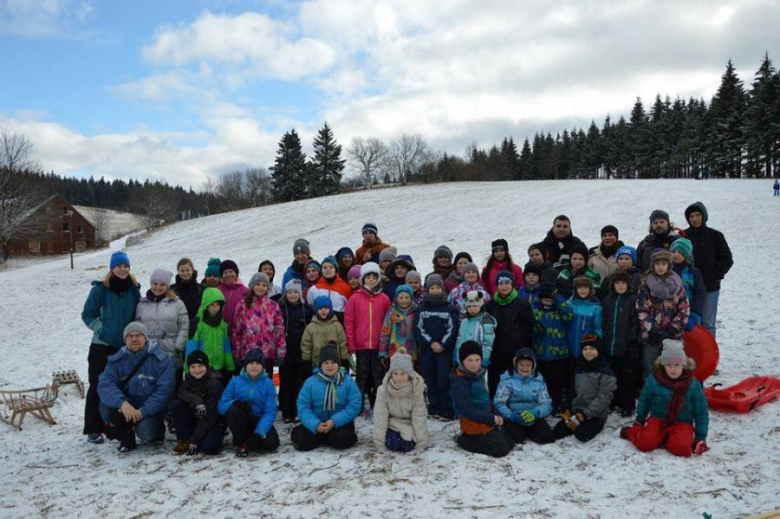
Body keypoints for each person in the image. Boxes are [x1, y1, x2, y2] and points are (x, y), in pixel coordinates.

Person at [81, 250, 141, 444]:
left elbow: (136, 314)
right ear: (112, 268)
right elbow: (87, 314)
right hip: (102, 346)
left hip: (125, 347)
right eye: (119, 266)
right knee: (98, 384)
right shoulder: (100, 289)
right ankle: (93, 428)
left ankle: (114, 424)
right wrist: (101, 329)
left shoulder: (133, 289)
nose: (122, 269)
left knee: (121, 386)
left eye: (125, 266)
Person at [620, 340, 709, 458]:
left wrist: (700, 437)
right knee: (645, 443)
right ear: (662, 365)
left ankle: (667, 438)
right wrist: (639, 420)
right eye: (668, 365)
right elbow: (644, 401)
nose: (673, 369)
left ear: (684, 364)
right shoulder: (654, 380)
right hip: (658, 419)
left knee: (681, 448)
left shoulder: (692, 384)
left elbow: (701, 412)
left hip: (682, 422)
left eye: (677, 365)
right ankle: (629, 432)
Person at [98, 323, 175, 454]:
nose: (134, 339)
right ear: (125, 339)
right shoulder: (117, 360)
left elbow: (164, 392)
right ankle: (126, 435)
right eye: (130, 336)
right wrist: (122, 403)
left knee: (146, 433)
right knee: (105, 407)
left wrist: (142, 412)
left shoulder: (161, 359)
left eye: (138, 335)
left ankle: (156, 431)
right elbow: (105, 385)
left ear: (145, 338)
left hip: (150, 409)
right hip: (127, 406)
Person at [292, 344, 362, 451]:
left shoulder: (348, 381)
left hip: (338, 424)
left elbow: (354, 406)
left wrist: (334, 421)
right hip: (317, 422)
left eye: (333, 362)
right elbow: (303, 407)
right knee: (301, 441)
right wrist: (316, 424)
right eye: (326, 363)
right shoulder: (310, 382)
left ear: (338, 364)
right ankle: (322, 435)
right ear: (321, 366)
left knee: (343, 440)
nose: (330, 366)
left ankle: (329, 437)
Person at [450, 341, 514, 457]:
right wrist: (492, 418)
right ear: (462, 360)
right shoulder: (460, 382)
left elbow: (485, 398)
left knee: (511, 441)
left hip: (485, 419)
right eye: (469, 360)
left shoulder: (476, 375)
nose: (474, 364)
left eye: (477, 359)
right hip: (474, 424)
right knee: (501, 450)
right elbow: (466, 410)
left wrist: (497, 414)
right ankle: (464, 440)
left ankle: (481, 435)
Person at [683, 202, 733, 338]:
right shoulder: (683, 236)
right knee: (689, 323)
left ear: (704, 216)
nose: (694, 218)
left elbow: (727, 259)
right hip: (687, 288)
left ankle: (710, 356)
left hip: (709, 287)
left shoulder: (715, 236)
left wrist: (715, 275)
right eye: (691, 216)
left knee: (707, 323)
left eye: (698, 215)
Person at [553, 335, 616, 443]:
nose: (588, 352)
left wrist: (585, 414)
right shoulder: (578, 369)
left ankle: (592, 424)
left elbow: (604, 397)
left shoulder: (606, 371)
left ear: (598, 351)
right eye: (585, 349)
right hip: (576, 411)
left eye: (592, 349)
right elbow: (572, 391)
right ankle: (576, 423)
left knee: (582, 435)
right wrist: (566, 405)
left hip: (595, 414)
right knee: (557, 432)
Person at [344, 262, 392, 405]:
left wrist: (386, 344)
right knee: (362, 375)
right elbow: (349, 322)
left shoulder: (384, 299)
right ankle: (357, 403)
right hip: (361, 346)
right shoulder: (355, 298)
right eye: (368, 277)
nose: (370, 279)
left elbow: (388, 322)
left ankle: (379, 403)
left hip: (379, 346)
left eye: (373, 277)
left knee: (378, 375)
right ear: (362, 279)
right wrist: (351, 343)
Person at [217, 349, 280, 457]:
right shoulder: (235, 381)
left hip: (259, 419)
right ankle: (241, 442)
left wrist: (259, 433)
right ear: (245, 366)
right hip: (241, 419)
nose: (254, 366)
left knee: (271, 443)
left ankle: (251, 439)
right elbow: (221, 406)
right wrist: (235, 402)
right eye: (251, 363)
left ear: (262, 366)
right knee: (232, 411)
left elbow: (270, 411)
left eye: (257, 363)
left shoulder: (268, 383)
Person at [637, 250, 690, 376]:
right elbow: (641, 309)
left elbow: (684, 308)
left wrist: (673, 328)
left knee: (672, 368)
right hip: (651, 336)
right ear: (653, 266)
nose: (660, 267)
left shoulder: (677, 285)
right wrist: (652, 329)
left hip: (673, 335)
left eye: (663, 263)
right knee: (650, 367)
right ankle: (652, 392)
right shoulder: (645, 285)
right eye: (657, 264)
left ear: (669, 265)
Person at [414, 273, 459, 420]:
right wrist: (430, 343)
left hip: (444, 351)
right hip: (427, 350)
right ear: (427, 290)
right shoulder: (422, 308)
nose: (434, 290)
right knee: (430, 379)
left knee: (443, 380)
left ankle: (446, 409)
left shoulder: (449, 308)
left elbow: (453, 328)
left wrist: (443, 344)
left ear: (442, 289)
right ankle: (434, 408)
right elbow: (418, 328)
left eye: (437, 287)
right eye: (431, 288)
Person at [135, 268, 189, 389]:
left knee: (173, 387)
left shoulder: (177, 303)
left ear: (168, 286)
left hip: (171, 351)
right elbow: (137, 327)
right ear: (150, 284)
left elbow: (184, 324)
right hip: (149, 352)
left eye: (162, 284)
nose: (158, 287)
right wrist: (142, 346)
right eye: (155, 283)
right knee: (153, 389)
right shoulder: (142, 304)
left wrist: (178, 346)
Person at [486, 270, 535, 399]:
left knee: (515, 379)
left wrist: (520, 340)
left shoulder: (521, 304)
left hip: (515, 349)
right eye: (500, 283)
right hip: (496, 350)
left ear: (512, 284)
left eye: (507, 283)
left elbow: (529, 324)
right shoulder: (490, 304)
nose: (504, 286)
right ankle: (496, 404)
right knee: (496, 379)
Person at [493, 347, 556, 445]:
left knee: (547, 437)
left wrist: (535, 413)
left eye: (528, 365)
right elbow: (498, 403)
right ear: (515, 364)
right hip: (514, 416)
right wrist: (510, 415)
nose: (525, 368)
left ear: (533, 366)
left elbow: (547, 404)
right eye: (521, 365)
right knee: (517, 438)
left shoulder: (538, 380)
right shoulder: (507, 380)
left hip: (533, 416)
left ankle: (530, 431)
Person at [373, 347, 430, 453]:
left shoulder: (416, 390)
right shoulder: (383, 390)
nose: (399, 378)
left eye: (403, 374)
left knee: (407, 446)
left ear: (409, 374)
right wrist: (379, 444)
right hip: (391, 423)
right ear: (391, 374)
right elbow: (380, 417)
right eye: (395, 373)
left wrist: (421, 444)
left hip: (409, 424)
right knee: (393, 443)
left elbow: (419, 418)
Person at [170, 350, 227, 455]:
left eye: (200, 366)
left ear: (206, 365)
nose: (197, 370)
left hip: (214, 420)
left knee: (209, 448)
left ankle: (196, 438)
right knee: (176, 405)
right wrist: (197, 402)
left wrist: (195, 440)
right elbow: (181, 392)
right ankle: (184, 439)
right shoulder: (188, 378)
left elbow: (211, 415)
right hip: (198, 415)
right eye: (193, 367)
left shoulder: (214, 383)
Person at [601, 271, 640, 417]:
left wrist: (632, 342)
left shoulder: (633, 300)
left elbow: (635, 323)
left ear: (628, 284)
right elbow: (604, 321)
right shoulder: (607, 300)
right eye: (617, 283)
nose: (620, 285)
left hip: (627, 347)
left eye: (623, 283)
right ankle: (612, 401)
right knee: (612, 376)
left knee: (628, 378)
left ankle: (627, 404)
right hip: (610, 346)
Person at [231, 272, 286, 372]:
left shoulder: (273, 306)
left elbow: (280, 331)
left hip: (268, 355)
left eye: (264, 285)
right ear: (252, 286)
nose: (260, 288)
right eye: (257, 284)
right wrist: (236, 354)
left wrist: (280, 353)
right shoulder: (242, 306)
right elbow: (236, 331)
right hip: (248, 354)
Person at [532, 283, 573, 412]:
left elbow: (568, 316)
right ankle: (542, 402)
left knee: (557, 382)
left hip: (558, 353)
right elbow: (529, 329)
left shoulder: (559, 309)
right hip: (541, 352)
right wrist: (535, 330)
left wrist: (559, 298)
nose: (548, 303)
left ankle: (556, 403)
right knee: (542, 381)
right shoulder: (535, 309)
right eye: (546, 300)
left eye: (550, 300)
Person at [278, 280, 314, 423]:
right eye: (290, 292)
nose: (292, 295)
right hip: (286, 351)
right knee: (286, 381)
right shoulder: (281, 309)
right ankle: (287, 411)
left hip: (302, 351)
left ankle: (300, 410)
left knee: (301, 381)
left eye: (295, 292)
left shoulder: (307, 310)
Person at [185, 287, 235, 380]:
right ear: (206, 304)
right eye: (212, 305)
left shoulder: (223, 324)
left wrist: (230, 366)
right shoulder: (197, 323)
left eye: (217, 305)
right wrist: (189, 369)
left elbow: (226, 346)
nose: (215, 308)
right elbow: (191, 347)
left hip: (220, 367)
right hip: (202, 368)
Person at [302, 296, 350, 372]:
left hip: (334, 365)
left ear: (330, 309)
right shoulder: (310, 327)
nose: (323, 311)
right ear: (316, 310)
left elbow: (342, 344)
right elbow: (306, 346)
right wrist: (306, 361)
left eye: (326, 308)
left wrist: (344, 360)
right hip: (317, 364)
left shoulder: (337, 326)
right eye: (320, 308)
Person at [670, 238, 707, 331]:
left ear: (686, 255)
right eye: (674, 251)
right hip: (670, 314)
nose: (676, 254)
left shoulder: (694, 272)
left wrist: (695, 313)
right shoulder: (667, 272)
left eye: (680, 252)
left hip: (690, 313)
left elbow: (700, 293)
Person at [454, 290, 497, 370]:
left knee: (476, 382)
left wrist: (484, 358)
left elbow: (487, 343)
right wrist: (456, 354)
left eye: (474, 306)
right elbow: (459, 339)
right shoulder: (464, 322)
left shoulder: (485, 322)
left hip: (477, 362)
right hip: (463, 361)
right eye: (469, 307)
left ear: (481, 306)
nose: (472, 309)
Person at [379, 284, 418, 364]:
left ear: (411, 298)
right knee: (396, 373)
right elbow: (385, 333)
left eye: (407, 297)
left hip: (410, 351)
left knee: (409, 373)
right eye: (401, 297)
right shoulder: (391, 313)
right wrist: (382, 352)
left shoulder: (415, 313)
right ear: (396, 298)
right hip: (394, 350)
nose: (404, 300)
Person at [306, 255, 352, 320]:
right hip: (320, 324)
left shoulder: (345, 287)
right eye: (325, 268)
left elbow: (349, 308)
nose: (328, 269)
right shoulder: (314, 289)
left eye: (331, 267)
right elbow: (311, 306)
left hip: (339, 324)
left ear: (336, 270)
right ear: (321, 271)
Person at [566, 277, 602, 360]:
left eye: (585, 287)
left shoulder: (596, 308)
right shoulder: (569, 304)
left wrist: (597, 345)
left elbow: (598, 329)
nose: (583, 290)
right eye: (580, 287)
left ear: (590, 289)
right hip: (569, 346)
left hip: (587, 349)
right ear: (575, 290)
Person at [171, 258, 203, 338]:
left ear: (192, 270)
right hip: (177, 330)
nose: (185, 273)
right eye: (182, 271)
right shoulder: (172, 289)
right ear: (178, 271)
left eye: (187, 270)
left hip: (197, 329)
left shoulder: (201, 289)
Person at [217, 259, 248, 335]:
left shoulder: (245, 291)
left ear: (236, 273)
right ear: (222, 275)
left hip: (240, 330)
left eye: (231, 271)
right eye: (225, 272)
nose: (228, 274)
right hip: (221, 330)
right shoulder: (217, 290)